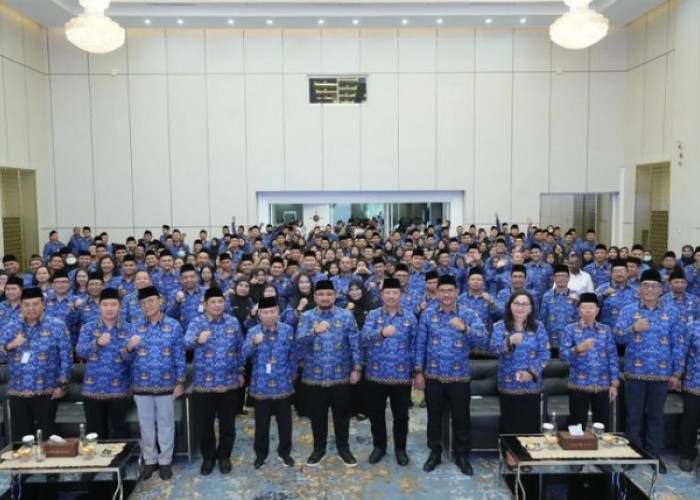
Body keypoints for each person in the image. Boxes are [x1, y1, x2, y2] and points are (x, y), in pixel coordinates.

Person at [413, 275, 488, 475]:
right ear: (437, 293)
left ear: (457, 292)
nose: (446, 294)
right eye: (442, 290)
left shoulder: (468, 314)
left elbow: (483, 339)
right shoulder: (428, 314)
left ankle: (461, 454)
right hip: (433, 376)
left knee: (461, 418)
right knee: (434, 418)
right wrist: (418, 372)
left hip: (459, 377)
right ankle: (435, 452)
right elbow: (420, 345)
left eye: (450, 290)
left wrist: (465, 328)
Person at [614, 269, 686, 474]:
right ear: (639, 289)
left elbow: (679, 344)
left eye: (654, 286)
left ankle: (654, 454)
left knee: (656, 416)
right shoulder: (629, 310)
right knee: (633, 416)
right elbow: (617, 336)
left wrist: (677, 373)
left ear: (662, 289)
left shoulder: (672, 312)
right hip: (635, 373)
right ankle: (633, 453)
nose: (650, 290)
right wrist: (633, 328)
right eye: (646, 286)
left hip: (661, 374)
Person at [123, 285, 186, 481]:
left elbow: (180, 356)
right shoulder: (134, 327)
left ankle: (165, 461)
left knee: (166, 424)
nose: (147, 305)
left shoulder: (173, 325)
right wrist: (128, 347)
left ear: (159, 301)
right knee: (146, 425)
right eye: (143, 303)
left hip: (167, 384)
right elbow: (124, 358)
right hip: (141, 386)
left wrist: (180, 382)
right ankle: (150, 461)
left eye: (150, 301)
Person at [297, 280, 362, 467]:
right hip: (314, 377)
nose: (325, 298)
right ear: (314, 296)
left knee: (342, 415)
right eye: (320, 294)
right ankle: (319, 449)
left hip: (340, 375)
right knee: (317, 416)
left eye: (328, 294)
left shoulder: (346, 316)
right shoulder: (307, 317)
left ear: (335, 296)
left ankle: (343, 448)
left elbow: (355, 343)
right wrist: (313, 332)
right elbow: (298, 345)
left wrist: (357, 368)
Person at [184, 286, 245, 476]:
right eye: (213, 302)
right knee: (205, 425)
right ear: (205, 304)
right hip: (204, 385)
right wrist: (198, 340)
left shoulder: (233, 322)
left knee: (228, 425)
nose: (217, 305)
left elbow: (240, 349)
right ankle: (208, 458)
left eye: (220, 301)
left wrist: (241, 371)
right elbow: (185, 342)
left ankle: (224, 456)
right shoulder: (197, 322)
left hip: (229, 383)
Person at [0, 287, 72, 441]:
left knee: (47, 437)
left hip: (46, 390)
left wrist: (62, 385)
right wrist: (10, 345)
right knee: (21, 439)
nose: (31, 308)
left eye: (35, 304)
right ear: (21, 305)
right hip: (18, 390)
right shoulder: (11, 326)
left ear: (43, 305)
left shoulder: (57, 325)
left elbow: (66, 357)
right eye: (26, 305)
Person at [361, 278, 417, 466]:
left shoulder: (410, 317)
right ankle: (379, 447)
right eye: (388, 293)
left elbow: (416, 346)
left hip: (401, 376)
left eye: (395, 293)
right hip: (376, 374)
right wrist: (381, 333)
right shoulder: (373, 315)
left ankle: (400, 449)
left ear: (401, 295)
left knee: (401, 416)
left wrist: (417, 371)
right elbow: (363, 338)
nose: (391, 296)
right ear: (381, 295)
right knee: (376, 414)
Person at [243, 296, 297, 469]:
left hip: (283, 383)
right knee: (261, 423)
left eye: (272, 312)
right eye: (265, 313)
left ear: (278, 312)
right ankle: (261, 455)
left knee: (285, 423)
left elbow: (293, 355)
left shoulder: (288, 330)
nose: (269, 316)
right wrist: (253, 343)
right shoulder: (253, 331)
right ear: (259, 314)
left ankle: (285, 453)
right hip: (261, 384)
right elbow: (244, 354)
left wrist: (293, 374)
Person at [490, 291, 551, 434]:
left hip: (531, 384)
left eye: (524, 304)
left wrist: (531, 373)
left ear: (530, 308)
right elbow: (493, 350)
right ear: (510, 306)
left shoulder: (538, 327)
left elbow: (545, 353)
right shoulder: (500, 326)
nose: (520, 307)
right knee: (509, 426)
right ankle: (508, 448)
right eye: (516, 303)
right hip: (508, 383)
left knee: (530, 425)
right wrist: (509, 341)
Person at [75, 288, 131, 439]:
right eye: (105, 305)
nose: (109, 308)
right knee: (94, 433)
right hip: (92, 388)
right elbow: (80, 351)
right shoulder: (88, 327)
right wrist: (97, 343)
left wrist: (128, 350)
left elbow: (134, 360)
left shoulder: (129, 329)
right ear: (99, 306)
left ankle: (120, 455)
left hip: (119, 389)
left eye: (113, 304)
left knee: (119, 432)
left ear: (120, 306)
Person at [559, 293, 619, 431]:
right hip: (578, 385)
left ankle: (601, 445)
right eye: (584, 307)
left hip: (603, 385)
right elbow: (562, 355)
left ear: (597, 310)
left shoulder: (606, 330)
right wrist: (578, 349)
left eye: (591, 307)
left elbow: (612, 357)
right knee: (577, 424)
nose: (587, 310)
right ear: (578, 310)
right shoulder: (570, 329)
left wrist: (614, 384)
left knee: (602, 425)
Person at [539, 264, 579, 357]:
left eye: (564, 276)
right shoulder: (547, 296)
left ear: (568, 278)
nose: (561, 278)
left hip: (572, 340)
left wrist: (578, 301)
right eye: (558, 276)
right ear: (553, 278)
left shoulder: (577, 295)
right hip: (551, 341)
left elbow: (582, 316)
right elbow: (543, 319)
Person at [679, 319, 700, 472]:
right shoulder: (692, 327)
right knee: (690, 421)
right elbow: (681, 354)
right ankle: (687, 455)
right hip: (694, 382)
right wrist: (677, 375)